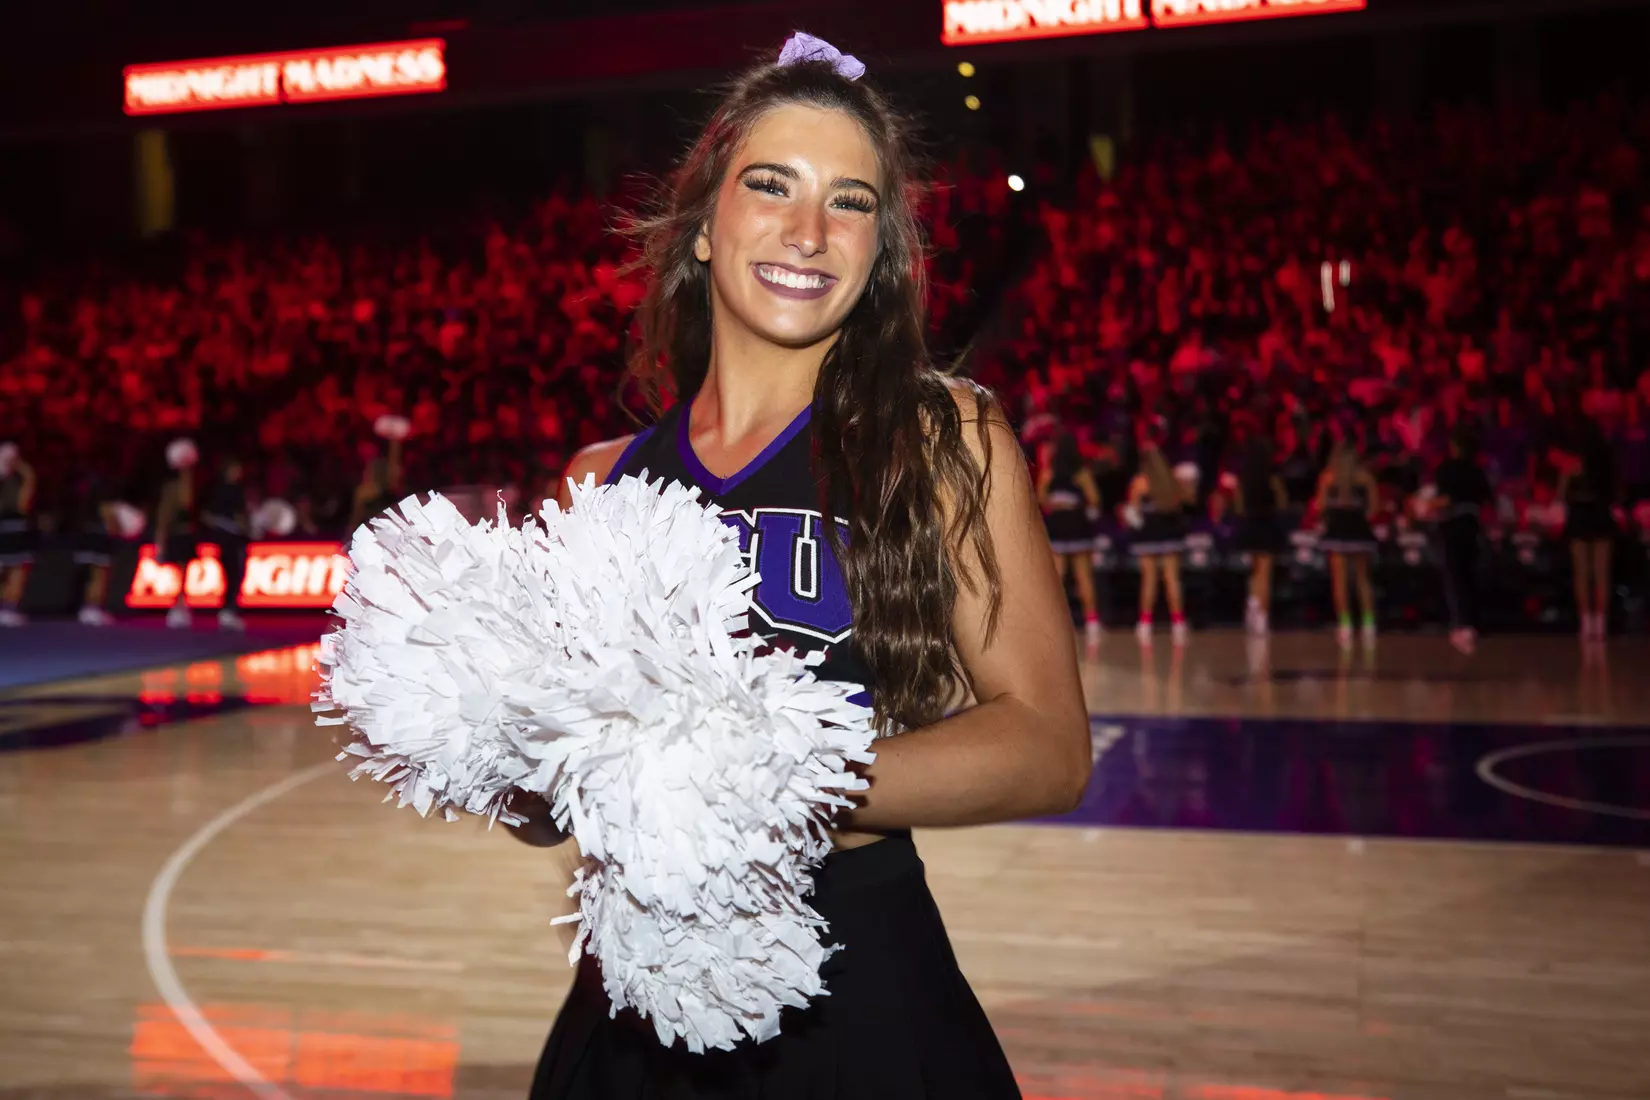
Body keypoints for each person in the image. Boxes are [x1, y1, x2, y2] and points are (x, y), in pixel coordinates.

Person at [506, 36, 1090, 1099]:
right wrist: (499, 745)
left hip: (855, 977)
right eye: (770, 184)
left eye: (851, 201)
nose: (808, 230)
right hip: (627, 990)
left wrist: (775, 777)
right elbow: (547, 805)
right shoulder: (596, 481)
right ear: (702, 228)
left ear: (880, 255)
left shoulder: (942, 435)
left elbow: (1048, 743)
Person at [1314, 425, 1381, 647]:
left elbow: (1320, 507)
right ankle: (1369, 625)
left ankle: (1345, 625)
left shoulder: (1327, 478)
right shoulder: (1366, 478)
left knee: (1340, 581)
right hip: (1359, 531)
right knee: (1363, 580)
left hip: (1337, 532)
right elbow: (1374, 509)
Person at [1126, 420, 1190, 644]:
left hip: (1148, 533)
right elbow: (1183, 501)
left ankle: (1145, 623)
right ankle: (1179, 624)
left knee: (1149, 578)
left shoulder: (1140, 482)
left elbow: (1133, 515)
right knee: (1172, 578)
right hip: (1170, 530)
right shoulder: (1172, 480)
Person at [1037, 431, 1103, 649]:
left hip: (1057, 528)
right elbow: (1094, 500)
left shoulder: (1049, 473)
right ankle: (1092, 622)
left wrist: (1057, 504)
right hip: (1077, 527)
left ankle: (1056, 623)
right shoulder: (1082, 473)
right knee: (1084, 577)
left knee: (1058, 578)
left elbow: (1041, 500)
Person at [1431, 428, 1492, 654]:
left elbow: (1446, 499)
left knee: (1455, 575)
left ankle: (1461, 623)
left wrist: (1426, 507)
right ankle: (1473, 623)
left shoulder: (1447, 469)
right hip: (1473, 525)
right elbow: (1487, 500)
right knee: (1469, 573)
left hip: (1453, 525)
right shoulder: (1478, 471)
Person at [1560, 421, 1618, 639]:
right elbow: (1615, 491)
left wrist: (1568, 477)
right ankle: (1600, 623)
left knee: (1583, 572)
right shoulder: (1608, 459)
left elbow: (1562, 492)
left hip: (1580, 513)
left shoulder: (1574, 461)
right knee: (1601, 572)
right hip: (1600, 512)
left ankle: (1586, 622)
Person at [1231, 429, 1287, 636]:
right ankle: (1262, 616)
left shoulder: (1243, 477)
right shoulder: (1272, 476)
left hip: (1248, 525)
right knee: (1265, 572)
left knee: (1253, 571)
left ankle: (1253, 604)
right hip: (1266, 523)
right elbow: (1282, 501)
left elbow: (1237, 505)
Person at [199, 458, 251, 631]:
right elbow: (206, 514)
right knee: (233, 574)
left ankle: (228, 610)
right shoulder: (223, 490)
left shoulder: (234, 489)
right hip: (227, 540)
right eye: (236, 468)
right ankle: (227, 610)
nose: (239, 472)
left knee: (234, 574)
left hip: (234, 538)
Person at [0, 442, 36, 627]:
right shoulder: (8, 479)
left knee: (17, 569)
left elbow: (24, 504)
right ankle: (6, 608)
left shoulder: (18, 477)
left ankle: (8, 608)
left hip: (16, 529)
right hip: (6, 529)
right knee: (8, 570)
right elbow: (17, 505)